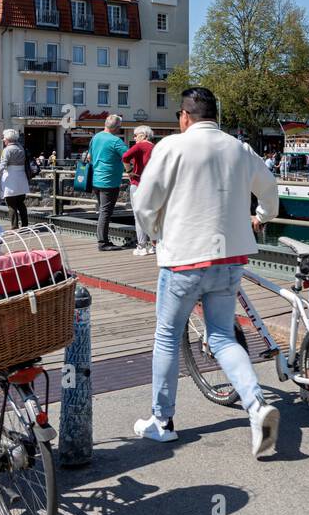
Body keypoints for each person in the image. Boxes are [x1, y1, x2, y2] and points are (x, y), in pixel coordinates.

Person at [131, 87, 281, 457]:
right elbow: (270, 193)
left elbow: (144, 202)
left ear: (184, 116)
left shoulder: (171, 147)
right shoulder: (239, 148)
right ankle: (256, 406)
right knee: (223, 336)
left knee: (167, 335)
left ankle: (162, 422)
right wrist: (260, 218)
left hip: (183, 258)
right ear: (216, 115)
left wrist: (152, 235)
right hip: (230, 259)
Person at [88, 114, 128, 252]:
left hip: (96, 180)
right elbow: (129, 156)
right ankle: (103, 243)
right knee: (105, 212)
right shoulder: (116, 141)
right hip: (109, 181)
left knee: (102, 211)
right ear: (117, 127)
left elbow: (89, 156)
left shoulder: (95, 137)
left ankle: (103, 240)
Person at [122, 126, 155, 256]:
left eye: (135, 135)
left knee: (139, 216)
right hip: (152, 186)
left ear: (143, 135)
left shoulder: (140, 146)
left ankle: (141, 246)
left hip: (139, 183)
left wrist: (129, 171)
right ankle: (154, 246)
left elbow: (125, 157)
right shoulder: (155, 147)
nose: (134, 138)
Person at [0, 128, 31, 229]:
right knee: (21, 203)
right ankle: (25, 225)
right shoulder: (21, 148)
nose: (3, 141)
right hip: (21, 177)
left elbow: (3, 165)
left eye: (4, 139)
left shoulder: (7, 150)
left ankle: (14, 226)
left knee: (11, 203)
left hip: (10, 178)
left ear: (8, 139)